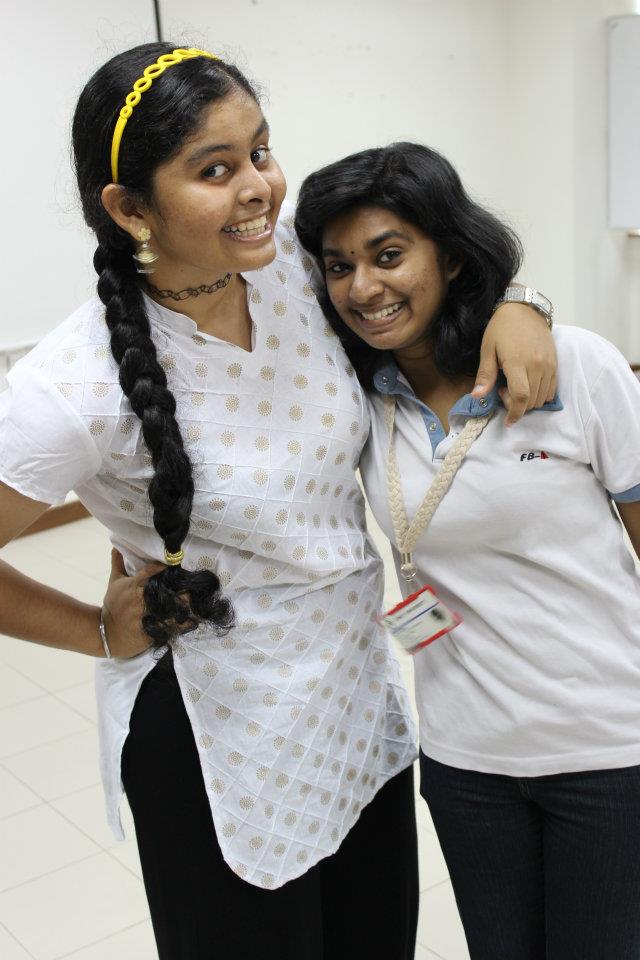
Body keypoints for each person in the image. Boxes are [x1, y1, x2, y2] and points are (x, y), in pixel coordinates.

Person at [0, 46, 555, 960]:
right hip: (219, 738)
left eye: (260, 152)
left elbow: (436, 270)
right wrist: (94, 631)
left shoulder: (297, 268)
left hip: (352, 701)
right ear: (130, 209)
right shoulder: (72, 384)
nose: (259, 186)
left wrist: (523, 303)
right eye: (215, 170)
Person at [294, 141, 640, 960]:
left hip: (607, 749)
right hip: (465, 761)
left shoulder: (573, 366)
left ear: (449, 256)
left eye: (388, 255)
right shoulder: (358, 400)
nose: (363, 288)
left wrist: (524, 303)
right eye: (340, 267)